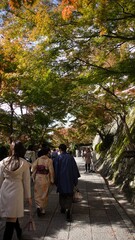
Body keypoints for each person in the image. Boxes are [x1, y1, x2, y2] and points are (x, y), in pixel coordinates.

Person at [0, 141, 32, 240]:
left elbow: (0, 179)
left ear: (12, 149)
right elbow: (27, 182)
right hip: (17, 190)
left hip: (5, 188)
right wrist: (28, 196)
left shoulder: (3, 162)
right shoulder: (24, 163)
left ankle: (19, 231)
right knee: (12, 217)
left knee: (11, 214)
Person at [54, 143, 80, 222]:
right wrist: (75, 180)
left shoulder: (58, 158)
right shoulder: (70, 157)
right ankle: (68, 210)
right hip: (69, 179)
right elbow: (74, 169)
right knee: (69, 194)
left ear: (60, 149)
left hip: (61, 179)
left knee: (62, 194)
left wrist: (55, 180)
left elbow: (56, 170)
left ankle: (62, 208)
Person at [31, 146, 54, 217]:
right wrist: (52, 179)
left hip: (38, 177)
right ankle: (43, 209)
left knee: (37, 193)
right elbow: (51, 171)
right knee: (44, 194)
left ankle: (38, 206)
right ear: (47, 153)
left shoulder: (38, 159)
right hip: (45, 178)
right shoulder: (49, 160)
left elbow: (32, 169)